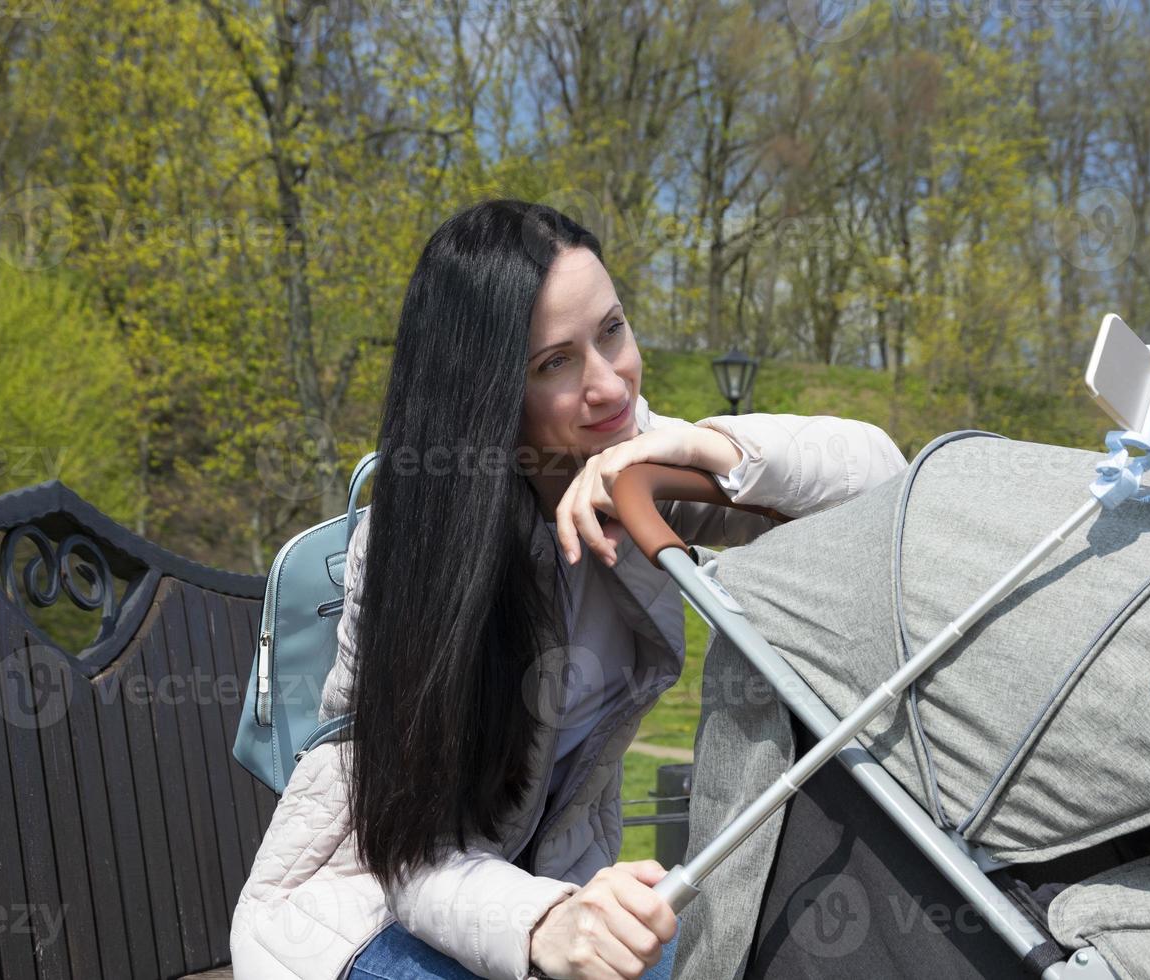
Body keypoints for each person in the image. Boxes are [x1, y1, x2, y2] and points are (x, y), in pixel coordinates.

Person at [229, 199, 908, 980]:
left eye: (612, 330)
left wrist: (699, 443)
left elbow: (879, 477)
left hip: (558, 893)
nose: (608, 383)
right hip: (364, 913)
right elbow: (407, 848)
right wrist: (544, 922)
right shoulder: (411, 549)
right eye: (554, 363)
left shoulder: (636, 471)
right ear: (487, 398)